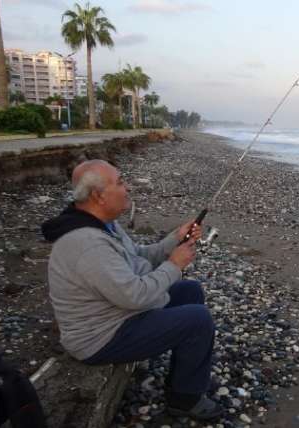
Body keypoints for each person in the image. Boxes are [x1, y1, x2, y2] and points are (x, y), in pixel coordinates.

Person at [40, 159, 222, 420]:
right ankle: (184, 399)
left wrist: (174, 239)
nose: (127, 188)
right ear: (98, 196)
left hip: (116, 313)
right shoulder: (87, 243)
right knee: (198, 320)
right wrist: (174, 264)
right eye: (120, 182)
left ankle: (188, 377)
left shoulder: (102, 224)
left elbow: (137, 257)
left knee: (190, 291)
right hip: (99, 338)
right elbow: (135, 296)